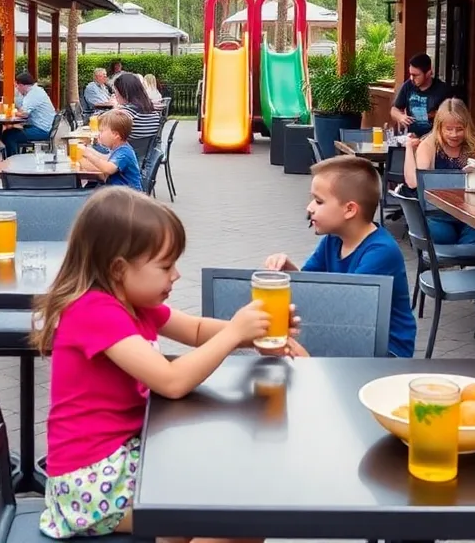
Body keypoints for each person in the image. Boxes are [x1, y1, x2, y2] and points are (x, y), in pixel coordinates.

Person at [34, 187, 303, 538]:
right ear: (118, 269)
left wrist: (257, 335)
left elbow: (194, 329)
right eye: (165, 266)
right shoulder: (93, 311)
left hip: (123, 454)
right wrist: (235, 333)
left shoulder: (133, 301)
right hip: (90, 480)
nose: (176, 275)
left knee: (237, 496)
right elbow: (172, 382)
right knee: (237, 512)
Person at [264, 155, 417, 358]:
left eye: (319, 201)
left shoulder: (380, 251)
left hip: (385, 351)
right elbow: (311, 287)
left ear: (349, 210)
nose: (309, 208)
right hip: (352, 333)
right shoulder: (334, 239)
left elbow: (344, 309)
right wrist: (288, 270)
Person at [402, 98, 475, 326]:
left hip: (472, 217)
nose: (455, 134)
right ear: (439, 127)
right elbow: (414, 181)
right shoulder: (430, 144)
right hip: (440, 221)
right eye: (449, 129)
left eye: (460, 128)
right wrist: (409, 149)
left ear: (468, 126)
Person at [78, 109, 143, 190]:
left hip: (129, 197)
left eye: (101, 131)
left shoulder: (124, 152)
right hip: (120, 193)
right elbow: (107, 158)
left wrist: (88, 154)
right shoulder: (119, 148)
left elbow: (108, 168)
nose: (99, 134)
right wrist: (87, 150)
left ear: (115, 135)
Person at [390, 53, 450, 137]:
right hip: (411, 137)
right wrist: (401, 117)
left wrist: (435, 114)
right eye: (410, 74)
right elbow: (394, 110)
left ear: (429, 73)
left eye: (415, 75)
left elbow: (451, 115)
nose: (411, 78)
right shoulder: (408, 85)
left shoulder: (442, 90)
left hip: (435, 138)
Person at [3, 72, 56, 156]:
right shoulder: (36, 91)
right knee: (9, 132)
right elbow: (23, 110)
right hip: (46, 128)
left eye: (17, 86)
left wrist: (11, 112)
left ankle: (12, 161)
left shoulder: (33, 94)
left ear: (22, 85)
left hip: (42, 130)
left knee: (10, 136)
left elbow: (24, 114)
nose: (17, 89)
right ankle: (17, 158)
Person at [112, 72, 162, 141]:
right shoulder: (152, 110)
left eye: (115, 91)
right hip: (145, 150)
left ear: (124, 92)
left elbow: (110, 131)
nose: (115, 95)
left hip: (126, 149)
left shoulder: (128, 112)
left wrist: (115, 108)